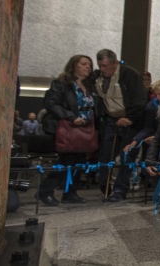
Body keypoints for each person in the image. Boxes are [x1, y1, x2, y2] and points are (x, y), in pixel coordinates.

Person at [37, 54, 103, 206]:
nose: (88, 67)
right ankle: (45, 191)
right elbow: (51, 103)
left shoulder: (91, 86)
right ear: (74, 66)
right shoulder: (60, 83)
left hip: (84, 130)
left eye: (90, 65)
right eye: (84, 64)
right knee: (65, 161)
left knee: (79, 162)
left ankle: (70, 194)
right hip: (66, 128)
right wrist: (71, 117)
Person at [95, 49, 147, 202]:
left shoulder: (130, 75)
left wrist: (129, 118)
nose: (102, 70)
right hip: (111, 120)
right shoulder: (98, 76)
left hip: (130, 121)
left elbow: (140, 99)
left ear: (115, 63)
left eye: (105, 66)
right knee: (106, 154)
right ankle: (105, 186)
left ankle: (120, 189)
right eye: (100, 66)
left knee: (126, 156)